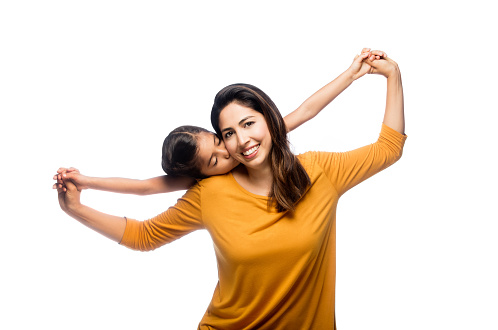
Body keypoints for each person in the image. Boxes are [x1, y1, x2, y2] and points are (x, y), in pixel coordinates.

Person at [55, 49, 406, 329]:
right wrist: (76, 207)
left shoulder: (319, 172)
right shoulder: (211, 192)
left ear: (268, 120)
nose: (240, 143)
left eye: (249, 124)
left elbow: (387, 148)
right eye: (227, 135)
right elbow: (143, 232)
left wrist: (391, 76)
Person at [54, 49, 383, 195]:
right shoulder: (205, 183)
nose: (228, 153)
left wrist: (352, 74)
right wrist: (86, 180)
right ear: (201, 174)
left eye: (218, 142)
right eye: (213, 161)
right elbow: (144, 187)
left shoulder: (245, 142)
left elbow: (305, 111)